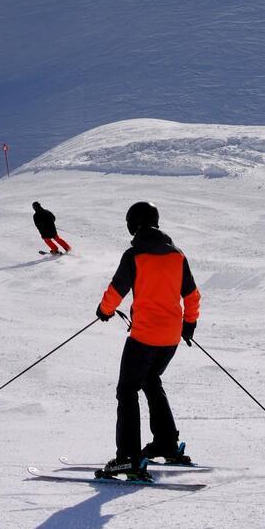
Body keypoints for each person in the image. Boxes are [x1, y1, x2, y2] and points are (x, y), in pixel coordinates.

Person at [92, 201, 201, 479]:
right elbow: (192, 295)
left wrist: (104, 311)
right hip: (170, 338)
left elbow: (117, 289)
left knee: (127, 391)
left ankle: (128, 458)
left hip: (143, 337)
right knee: (150, 380)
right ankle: (167, 443)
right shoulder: (178, 255)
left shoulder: (135, 255)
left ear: (135, 224)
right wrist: (189, 325)